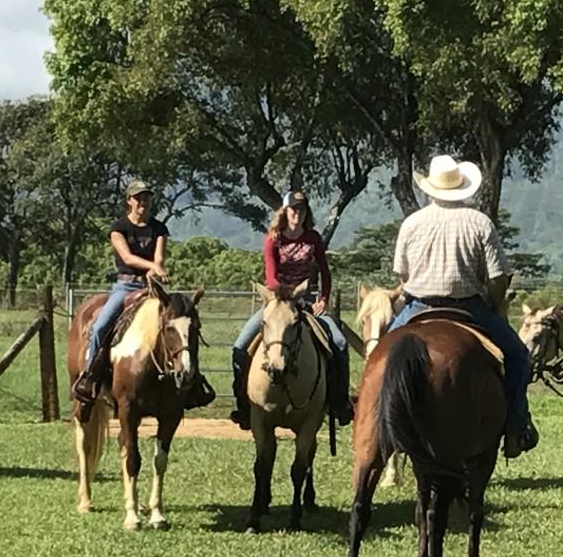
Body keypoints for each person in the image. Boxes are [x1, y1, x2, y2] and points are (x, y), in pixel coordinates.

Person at [386, 154, 538, 459]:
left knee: (379, 357)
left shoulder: (412, 222)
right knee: (519, 358)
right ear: (462, 187)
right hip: (468, 308)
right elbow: (497, 278)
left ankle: (375, 425)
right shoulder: (480, 222)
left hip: (418, 307)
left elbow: (402, 274)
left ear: (430, 188)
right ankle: (515, 427)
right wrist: (497, 306)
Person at [72, 180, 214, 412]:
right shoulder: (118, 228)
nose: (143, 202)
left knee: (178, 324)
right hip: (125, 287)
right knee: (100, 327)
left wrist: (156, 269)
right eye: (138, 198)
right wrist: (153, 267)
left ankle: (192, 380)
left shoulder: (159, 229)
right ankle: (90, 378)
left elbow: (159, 258)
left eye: (146, 197)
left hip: (151, 288)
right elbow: (127, 259)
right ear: (129, 201)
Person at [230, 191, 353, 430]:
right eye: (294, 209)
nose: (298, 213)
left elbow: (325, 272)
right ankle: (243, 405)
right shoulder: (273, 239)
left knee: (339, 343)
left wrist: (323, 298)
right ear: (284, 212)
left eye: (302, 209)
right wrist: (288, 295)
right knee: (239, 346)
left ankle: (339, 402)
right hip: (277, 303)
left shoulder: (313, 239)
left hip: (306, 303)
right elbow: (271, 277)